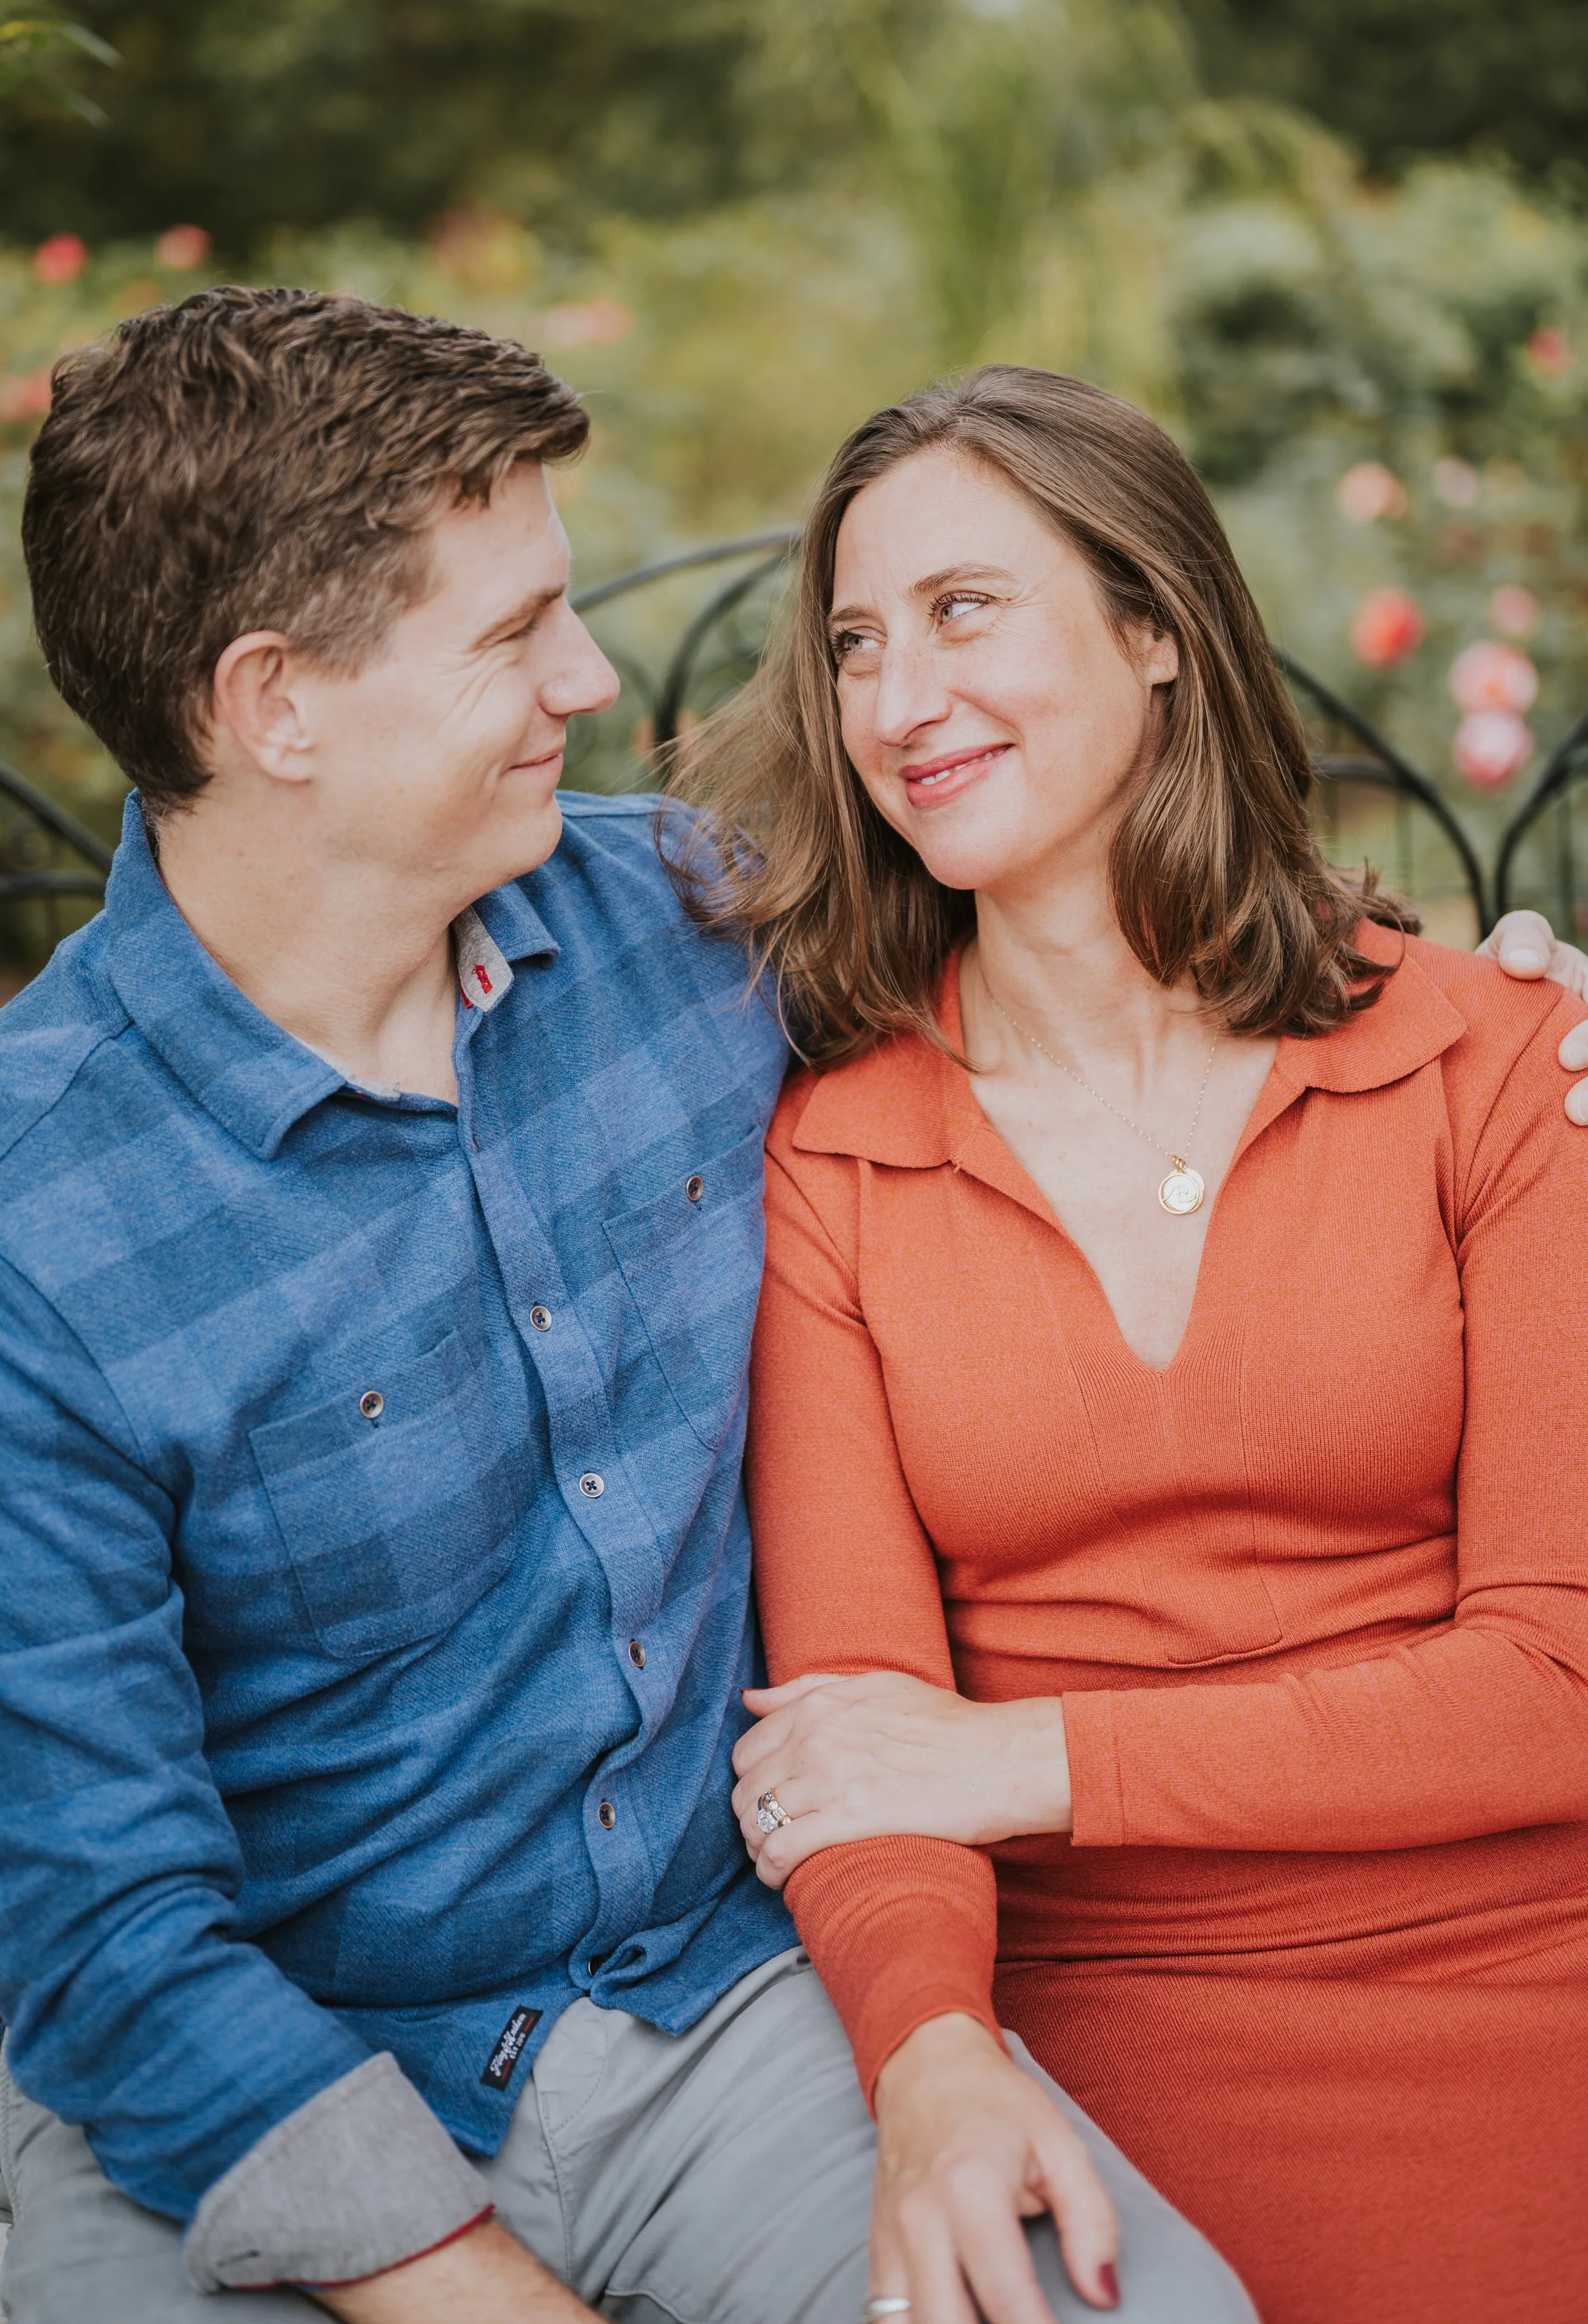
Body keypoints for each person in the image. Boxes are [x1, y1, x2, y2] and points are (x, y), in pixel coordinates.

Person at [0, 295, 1262, 2324]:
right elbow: (106, 1931)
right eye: (512, 633)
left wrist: (1483, 994)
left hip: (718, 1995)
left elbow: (1106, 936)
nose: (585, 677)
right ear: (277, 702)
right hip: (249, 2084)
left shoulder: (689, 927)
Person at [677, 364, 1588, 2324]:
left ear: (1157, 626)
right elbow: (848, 1738)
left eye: (962, 609)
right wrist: (929, 2060)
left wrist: (1020, 1752)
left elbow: (1552, 1678)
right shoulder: (831, 1150)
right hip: (1091, 2038)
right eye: (851, 640)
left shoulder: (1493, 1063)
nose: (896, 698)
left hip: (1517, 1974)